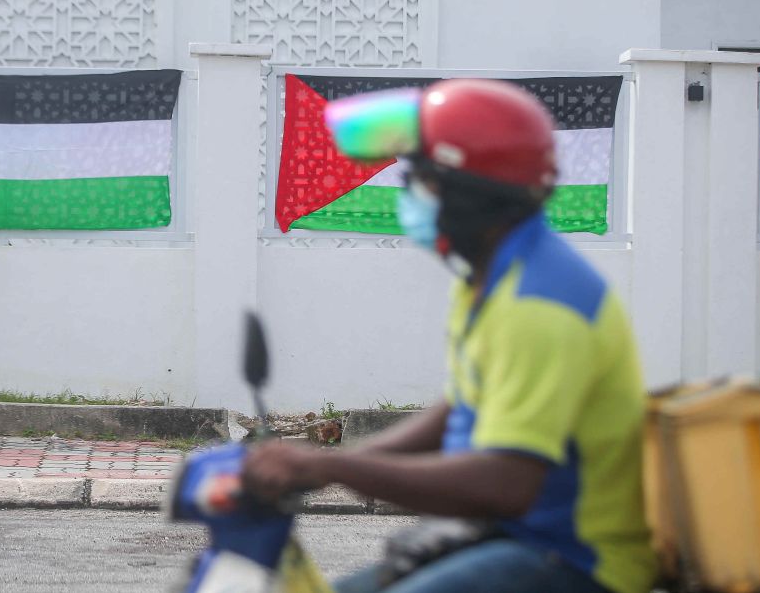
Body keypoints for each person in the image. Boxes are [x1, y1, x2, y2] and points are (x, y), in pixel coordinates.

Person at [242, 79, 657, 593]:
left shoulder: (539, 304)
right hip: (514, 535)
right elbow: (457, 409)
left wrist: (335, 465)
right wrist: (325, 468)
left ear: (473, 196)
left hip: (575, 561)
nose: (410, 195)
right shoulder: (491, 278)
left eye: (423, 181)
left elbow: (503, 485)